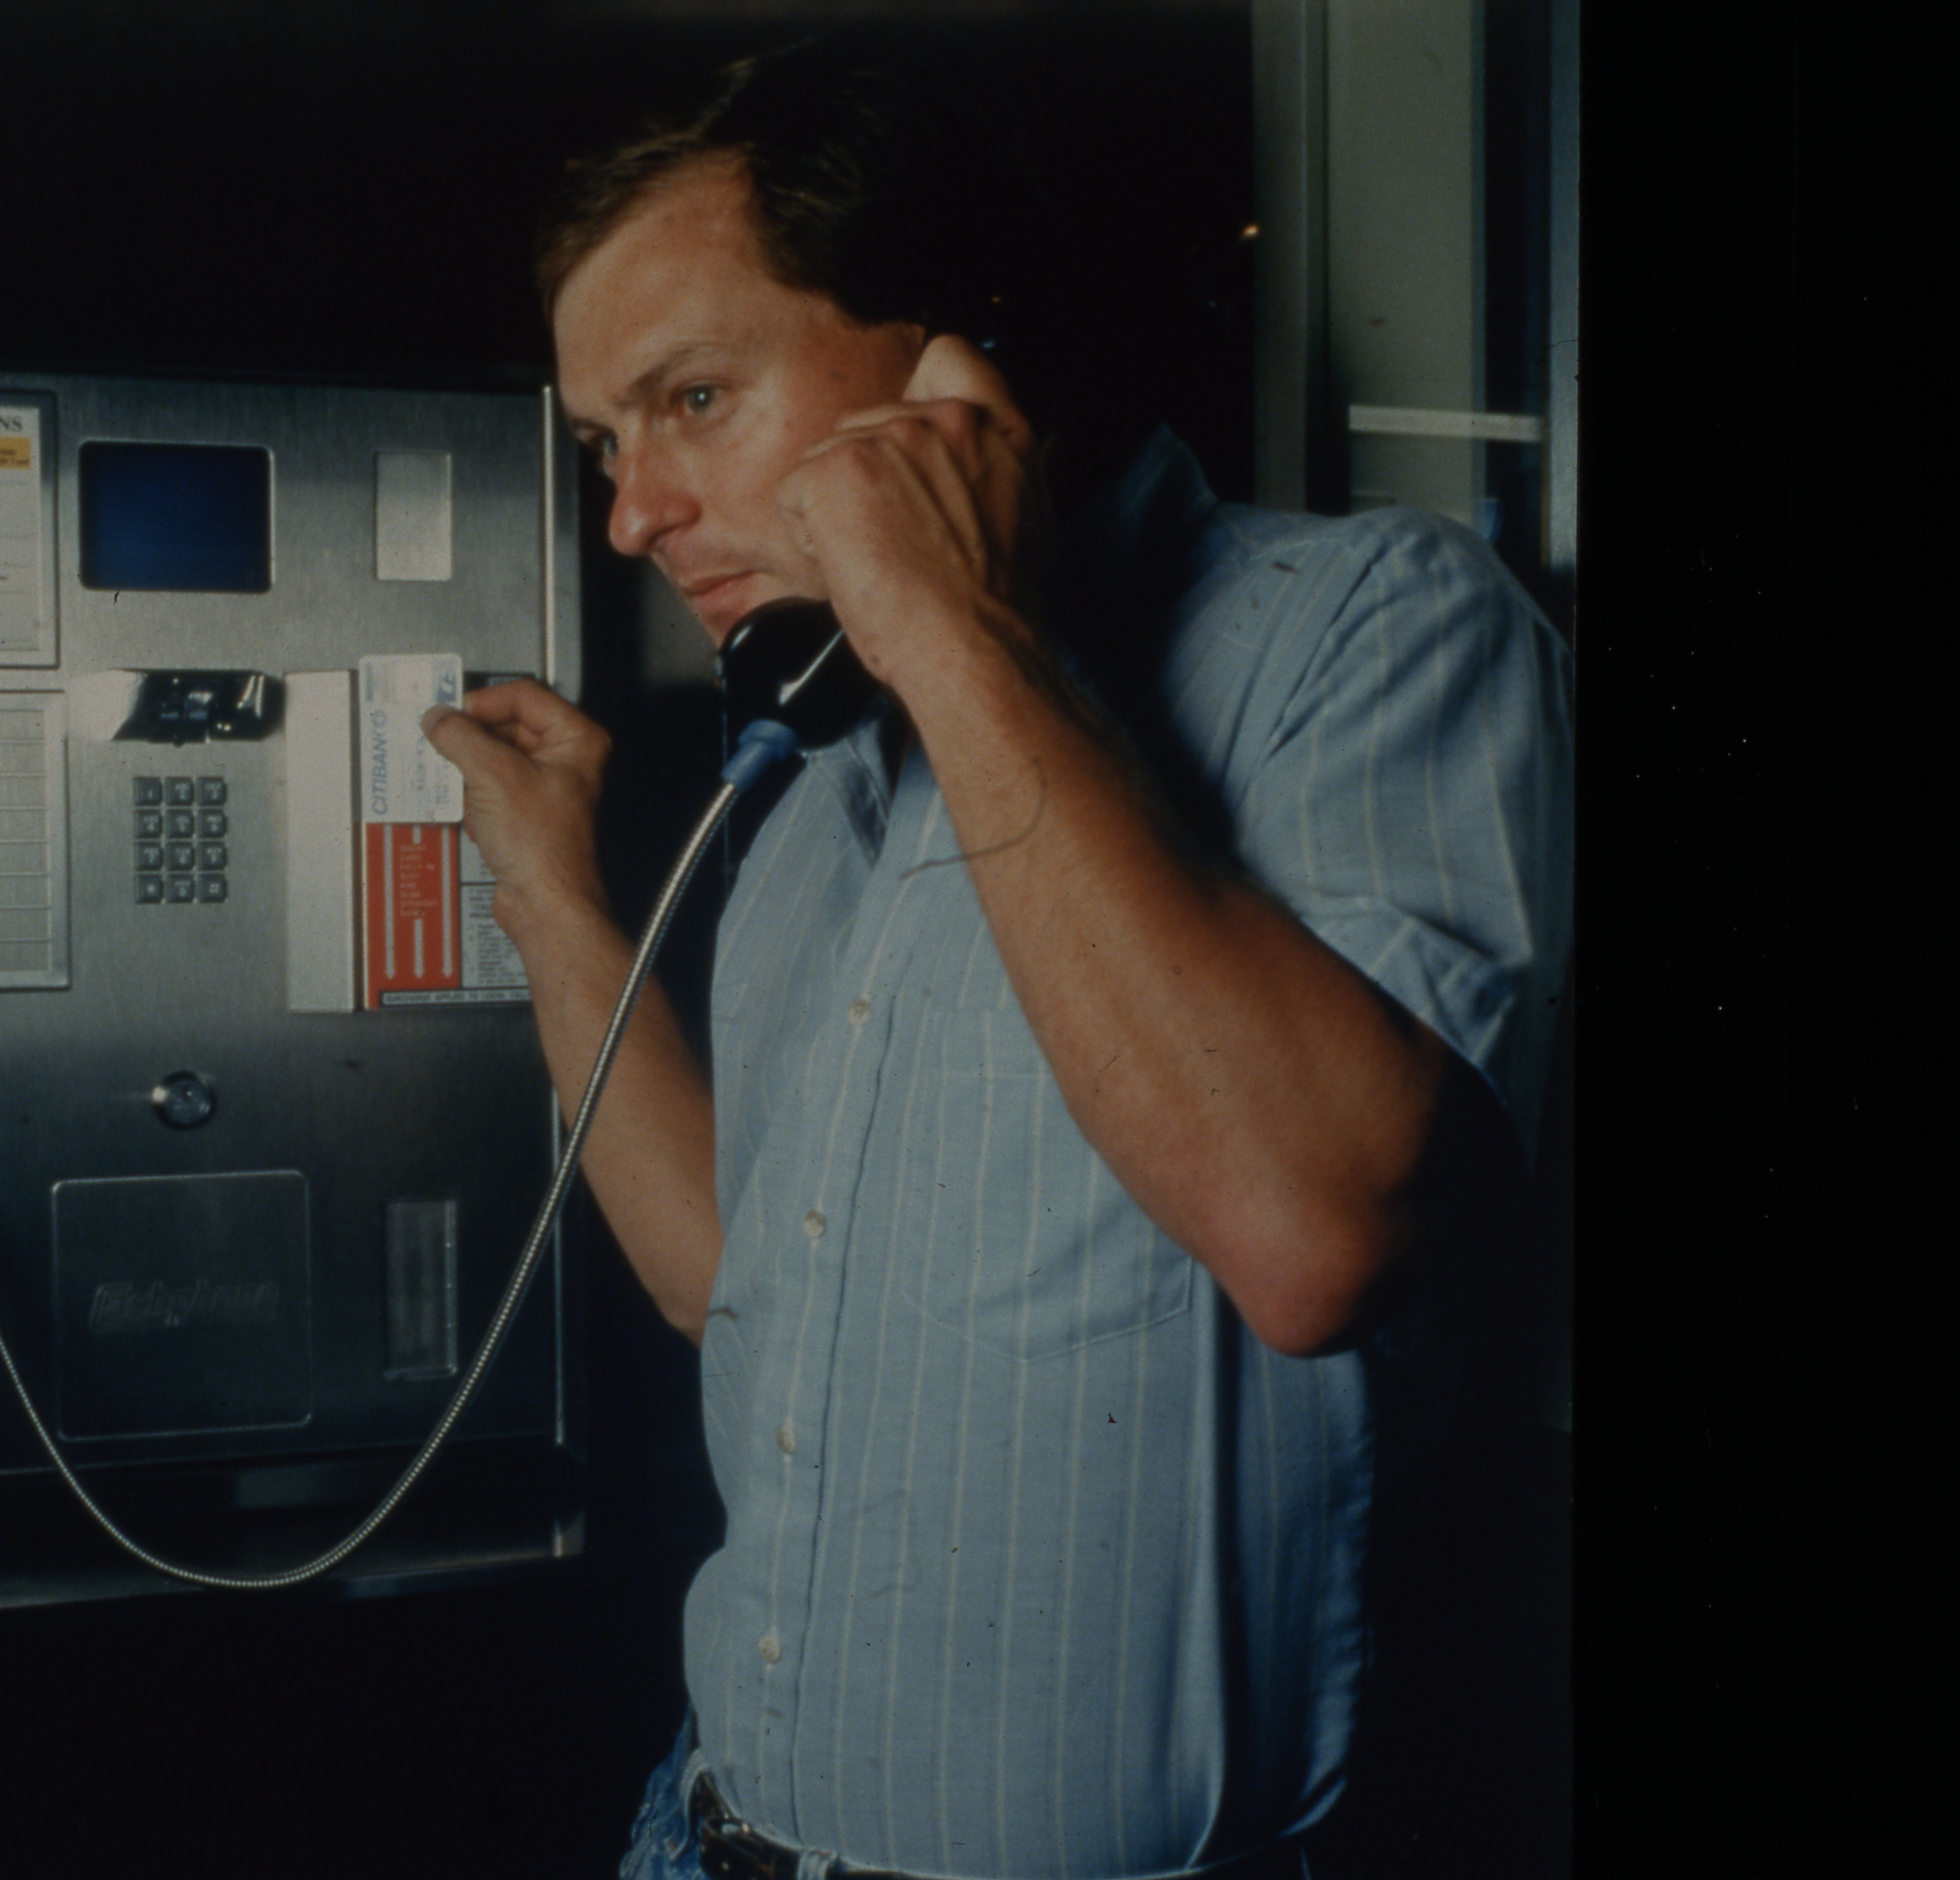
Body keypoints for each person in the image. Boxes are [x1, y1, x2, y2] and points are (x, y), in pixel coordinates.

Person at [421, 46, 1572, 1880]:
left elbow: (1318, 1237)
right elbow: (724, 1282)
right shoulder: (817, 783)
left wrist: (955, 634)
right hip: (709, 1825)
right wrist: (554, 901)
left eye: (693, 400)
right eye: (604, 444)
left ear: (959, 364)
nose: (633, 513)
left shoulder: (1372, 631)